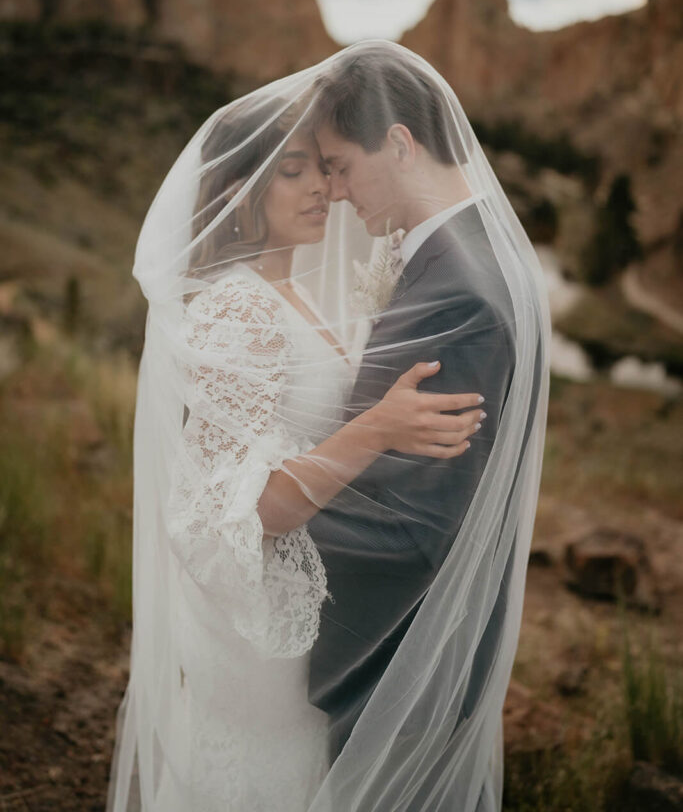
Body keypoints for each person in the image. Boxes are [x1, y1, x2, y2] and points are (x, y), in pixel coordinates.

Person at [106, 77, 486, 812]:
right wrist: (378, 427)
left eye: (324, 167)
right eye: (293, 171)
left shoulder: (301, 295)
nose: (322, 188)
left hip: (312, 602)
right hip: (260, 623)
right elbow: (247, 514)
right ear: (239, 189)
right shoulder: (237, 309)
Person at [304, 45, 547, 811]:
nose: (334, 193)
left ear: (401, 144)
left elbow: (417, 527)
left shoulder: (459, 294)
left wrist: (269, 536)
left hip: (398, 663)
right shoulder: (466, 256)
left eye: (340, 165)